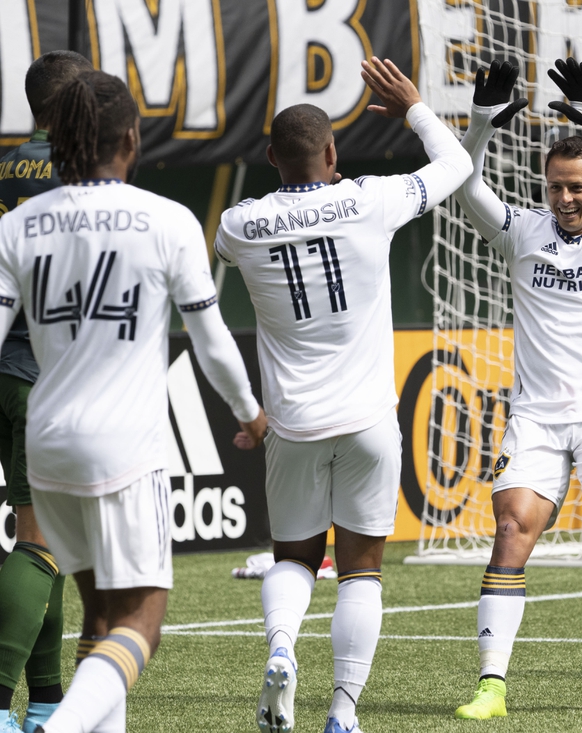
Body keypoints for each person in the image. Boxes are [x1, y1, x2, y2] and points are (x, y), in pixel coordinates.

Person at [0, 70, 267, 733]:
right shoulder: (168, 220)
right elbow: (209, 340)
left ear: (55, 140)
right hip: (124, 447)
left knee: (98, 614)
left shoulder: (21, 223)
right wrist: (249, 411)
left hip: (47, 440)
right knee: (141, 620)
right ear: (130, 137)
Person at [214, 57, 471, 733]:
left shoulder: (240, 226)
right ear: (333, 151)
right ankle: (343, 711)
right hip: (366, 422)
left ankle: (280, 647)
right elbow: (455, 168)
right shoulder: (370, 199)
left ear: (271, 156)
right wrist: (414, 106)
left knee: (294, 559)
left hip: (292, 426)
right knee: (361, 571)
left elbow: (234, 231)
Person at [450, 58, 582, 718]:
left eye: (577, 188)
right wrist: (482, 124)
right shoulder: (521, 230)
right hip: (538, 418)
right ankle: (492, 683)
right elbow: (462, 185)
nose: (565, 200)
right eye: (555, 189)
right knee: (512, 528)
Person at [0, 50, 91, 733]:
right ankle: (4, 700)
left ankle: (47, 702)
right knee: (43, 544)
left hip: (5, 367)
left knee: (41, 536)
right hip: (47, 376)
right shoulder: (82, 176)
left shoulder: (2, 165)